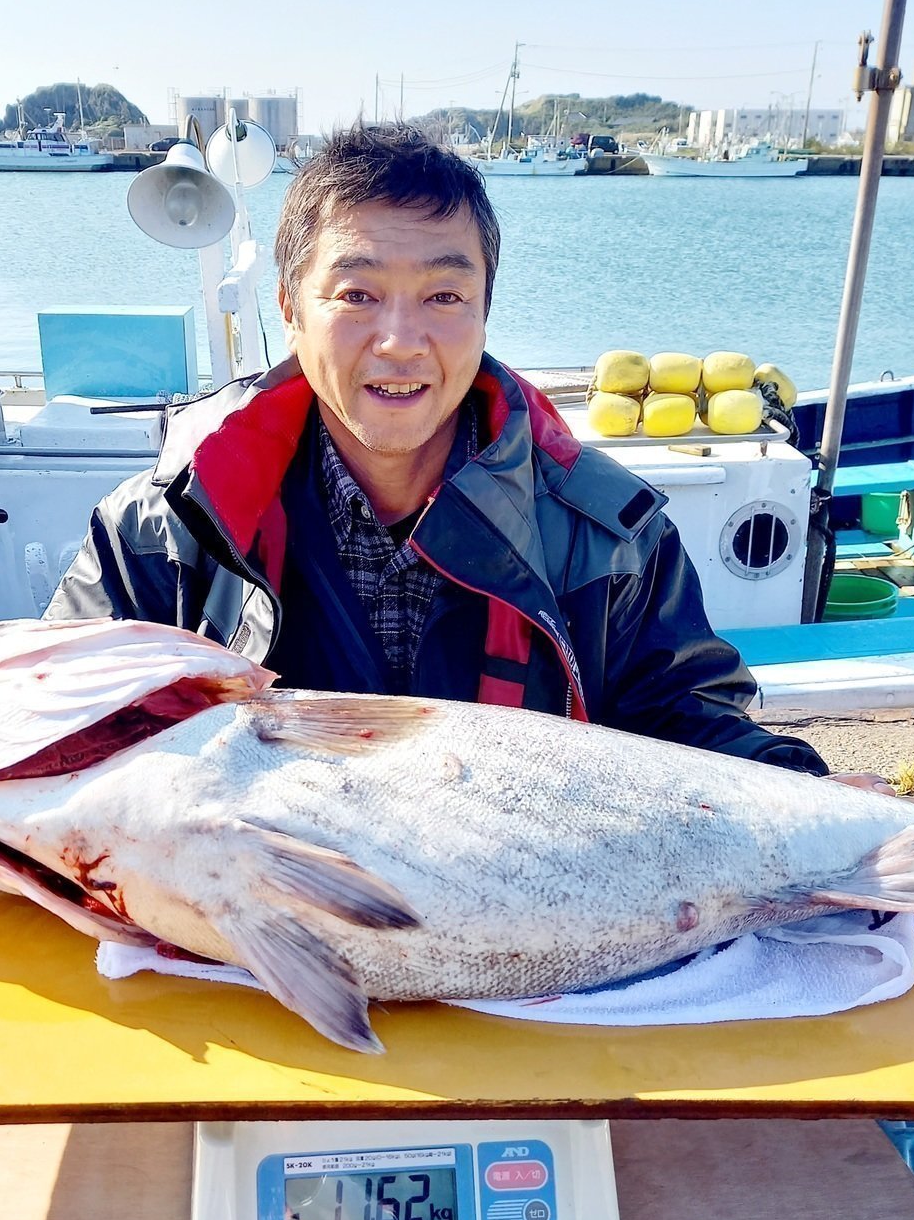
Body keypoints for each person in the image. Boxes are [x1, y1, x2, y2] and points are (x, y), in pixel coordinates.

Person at [46, 122, 835, 776]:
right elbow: (52, 724)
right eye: (356, 295)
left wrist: (810, 794)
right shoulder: (163, 530)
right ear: (290, 308)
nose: (400, 341)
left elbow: (691, 725)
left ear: (485, 309)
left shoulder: (611, 537)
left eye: (444, 296)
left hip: (522, 930)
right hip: (255, 931)